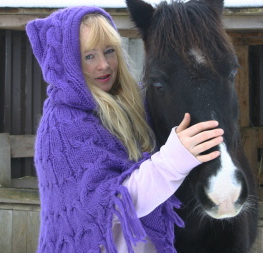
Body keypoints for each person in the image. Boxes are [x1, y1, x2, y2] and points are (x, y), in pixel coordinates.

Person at [26, 6, 224, 253]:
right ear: (68, 63)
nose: (104, 65)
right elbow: (111, 206)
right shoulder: (62, 123)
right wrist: (172, 161)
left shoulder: (134, 106)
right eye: (89, 56)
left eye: (109, 51)